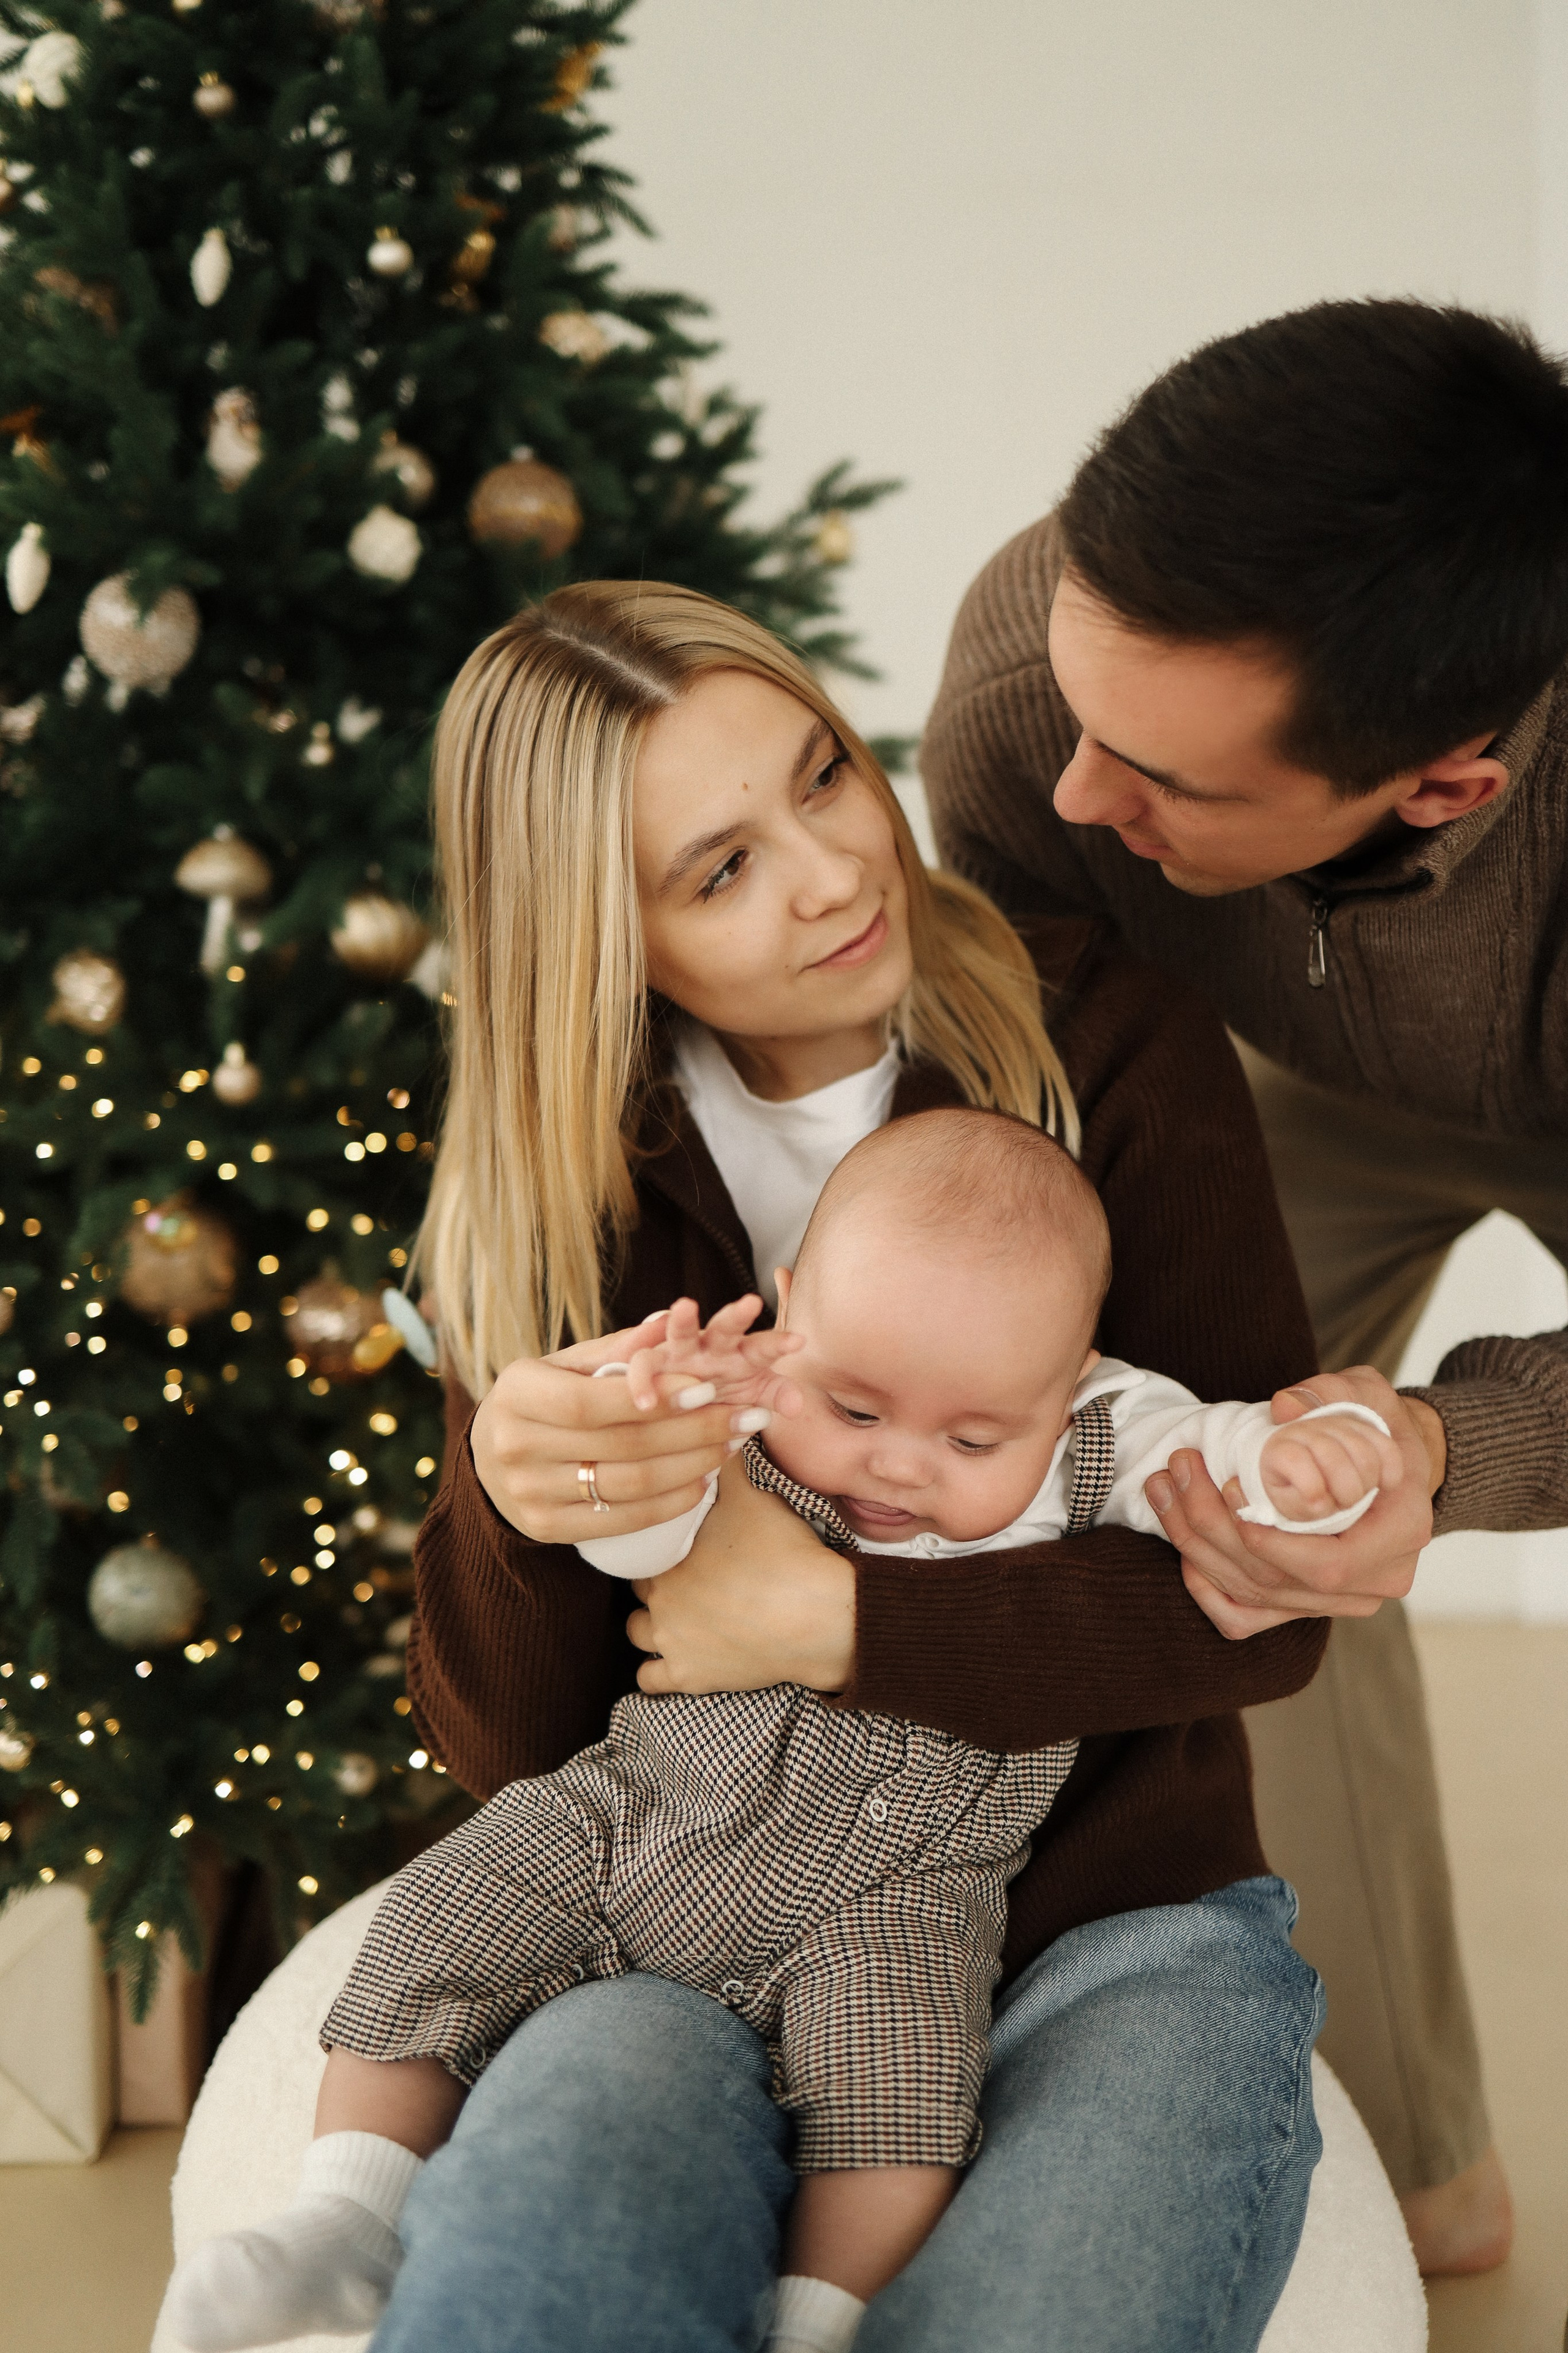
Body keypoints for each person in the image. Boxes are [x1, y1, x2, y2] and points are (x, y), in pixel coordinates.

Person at [296, 577, 1435, 2353]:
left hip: (1111, 1922)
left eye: (821, 777)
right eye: (718, 868)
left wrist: (830, 1617)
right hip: (671, 1914)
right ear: (602, 939)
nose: (834, 871)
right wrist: (517, 1514)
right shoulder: (559, 1189)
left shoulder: (1111, 1049)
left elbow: (1256, 1623)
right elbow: (519, 1749)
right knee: (535, 2274)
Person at [167, 1111, 1404, 2353]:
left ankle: (823, 2320)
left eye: (972, 1438)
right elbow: (636, 1548)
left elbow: (1220, 1463)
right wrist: (639, 1426)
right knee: (445, 1915)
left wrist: (1306, 1459)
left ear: (1076, 1374)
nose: (900, 1464)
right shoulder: (742, 1402)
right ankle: (345, 2220)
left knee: (901, 2104)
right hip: (637, 1822)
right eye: (854, 1406)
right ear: (788, 1305)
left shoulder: (1098, 1439)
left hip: (895, 1900)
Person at [921, 295, 1568, 2278]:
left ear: (1448, 786)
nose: (1082, 793)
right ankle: (1403, 2153)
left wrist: (1452, 1445)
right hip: (1263, 1055)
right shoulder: (1041, 683)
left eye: (1169, 780)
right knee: (1239, 1509)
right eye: (1082, 710)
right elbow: (1042, 1062)